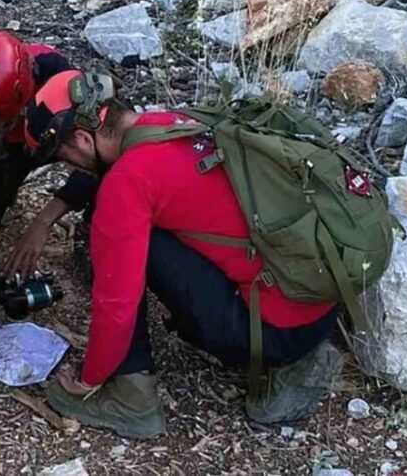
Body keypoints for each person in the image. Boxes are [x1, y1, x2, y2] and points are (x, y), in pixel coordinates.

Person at [22, 70, 342, 439]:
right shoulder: (176, 122)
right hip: (317, 303)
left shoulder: (127, 181)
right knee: (146, 228)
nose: (72, 166)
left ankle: (132, 399)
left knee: (115, 235)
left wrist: (89, 378)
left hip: (273, 334)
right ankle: (294, 352)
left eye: (66, 157)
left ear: (82, 137)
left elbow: (117, 304)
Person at [0, 31, 96, 272]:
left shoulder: (55, 72)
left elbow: (100, 152)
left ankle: (92, 238)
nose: (0, 125)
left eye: (6, 117)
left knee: (109, 173)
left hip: (48, 136)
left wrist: (43, 222)